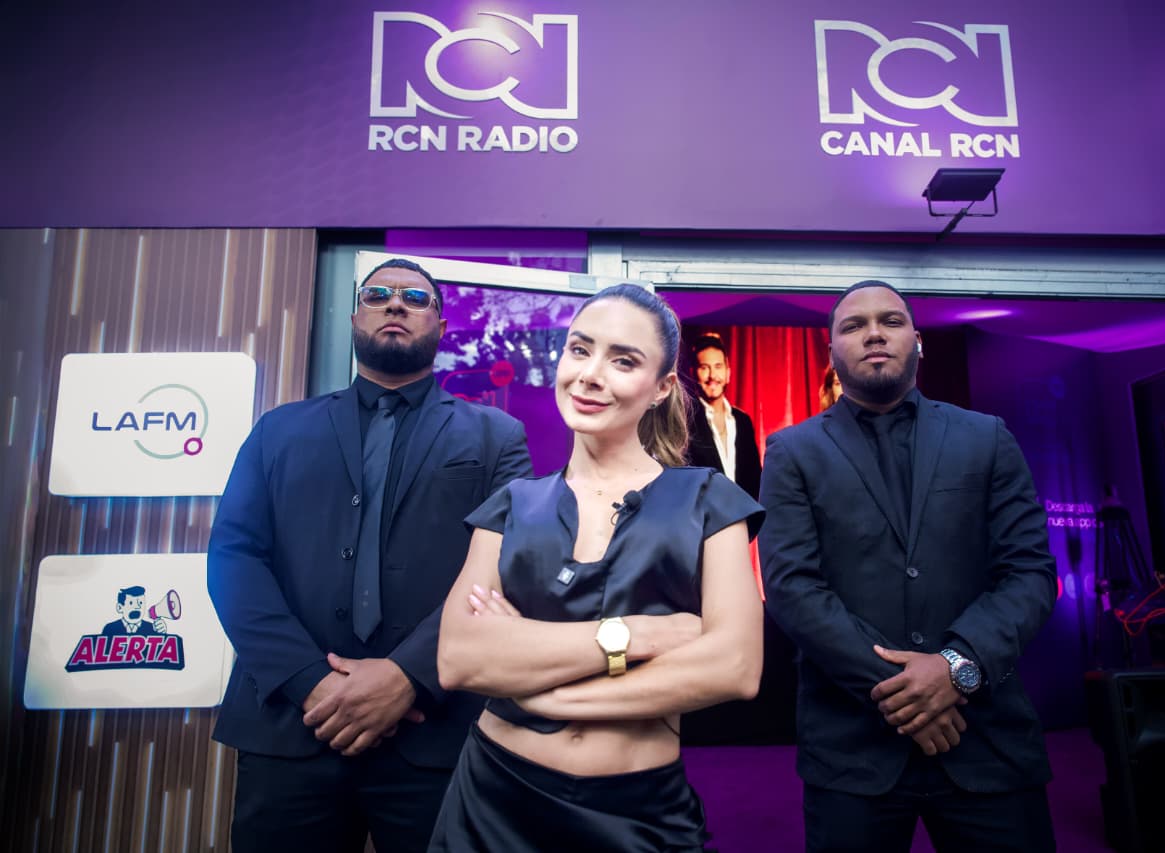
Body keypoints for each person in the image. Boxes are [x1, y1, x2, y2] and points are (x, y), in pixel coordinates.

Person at [207, 258, 533, 853]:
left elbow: (508, 567)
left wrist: (407, 677)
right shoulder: (278, 431)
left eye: (416, 297)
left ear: (440, 325)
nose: (395, 303)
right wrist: (309, 684)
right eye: (378, 294)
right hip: (291, 728)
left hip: (436, 732)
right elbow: (233, 559)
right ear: (356, 317)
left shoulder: (496, 437)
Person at [430, 283, 764, 852]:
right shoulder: (511, 504)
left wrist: (542, 693)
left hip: (638, 814)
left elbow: (734, 668)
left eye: (623, 361)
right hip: (493, 801)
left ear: (661, 388)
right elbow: (459, 658)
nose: (589, 374)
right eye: (580, 350)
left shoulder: (710, 501)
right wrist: (639, 635)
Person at [759, 280, 1057, 852]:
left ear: (918, 341)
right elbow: (793, 587)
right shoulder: (792, 451)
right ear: (831, 350)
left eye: (890, 321)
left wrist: (955, 667)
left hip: (986, 738)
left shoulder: (987, 437)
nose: (873, 333)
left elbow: (1030, 573)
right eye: (853, 326)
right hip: (853, 750)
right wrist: (908, 691)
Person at [685, 332, 763, 499]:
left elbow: (756, 481)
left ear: (728, 373)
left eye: (718, 366)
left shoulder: (743, 421)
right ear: (693, 373)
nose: (712, 375)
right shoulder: (685, 422)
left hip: (746, 514)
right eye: (704, 367)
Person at [101, 585, 167, 635]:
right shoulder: (110, 628)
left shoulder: (151, 628)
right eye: (131, 603)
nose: (138, 607)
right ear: (120, 608)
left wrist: (162, 634)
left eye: (141, 603)